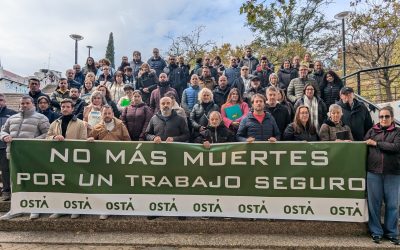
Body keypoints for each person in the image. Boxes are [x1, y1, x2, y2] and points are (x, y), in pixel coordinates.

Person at [0, 96, 50, 220]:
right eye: (22, 103)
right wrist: (5, 136)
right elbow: (2, 131)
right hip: (13, 155)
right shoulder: (12, 118)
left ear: (33, 104)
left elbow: (47, 134)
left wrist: (32, 142)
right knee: (15, 183)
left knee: (33, 182)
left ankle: (36, 208)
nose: (24, 105)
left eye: (27, 103)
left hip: (32, 156)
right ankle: (16, 209)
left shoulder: (41, 118)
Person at [46, 98, 87, 220]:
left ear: (72, 108)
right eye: (63, 106)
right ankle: (60, 209)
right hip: (59, 158)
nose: (65, 109)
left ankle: (76, 208)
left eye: (68, 107)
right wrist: (54, 137)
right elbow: (47, 137)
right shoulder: (55, 123)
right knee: (61, 184)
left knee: (75, 184)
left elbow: (83, 141)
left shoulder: (80, 123)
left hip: (74, 159)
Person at [364, 106, 400, 245]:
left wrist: (376, 143)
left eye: (386, 116)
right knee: (374, 205)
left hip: (393, 173)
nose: (384, 119)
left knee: (393, 204)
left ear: (391, 118)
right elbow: (363, 146)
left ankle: (392, 232)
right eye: (381, 116)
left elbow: (396, 147)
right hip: (373, 173)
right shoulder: (372, 131)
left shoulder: (397, 132)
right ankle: (376, 232)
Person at [0, 94, 17, 201]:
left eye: (1, 100)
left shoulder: (12, 114)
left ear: (5, 101)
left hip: (4, 146)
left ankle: (6, 191)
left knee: (5, 170)